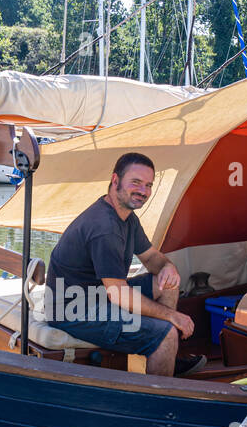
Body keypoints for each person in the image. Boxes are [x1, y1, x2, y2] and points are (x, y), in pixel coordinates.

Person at [44, 151, 204, 377]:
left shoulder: (126, 217)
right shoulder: (104, 228)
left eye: (148, 185)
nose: (143, 191)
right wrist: (171, 317)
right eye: (136, 182)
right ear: (115, 180)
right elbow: (118, 294)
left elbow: (150, 258)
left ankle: (164, 355)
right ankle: (156, 397)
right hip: (74, 311)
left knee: (165, 283)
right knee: (167, 331)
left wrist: (168, 267)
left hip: (100, 295)